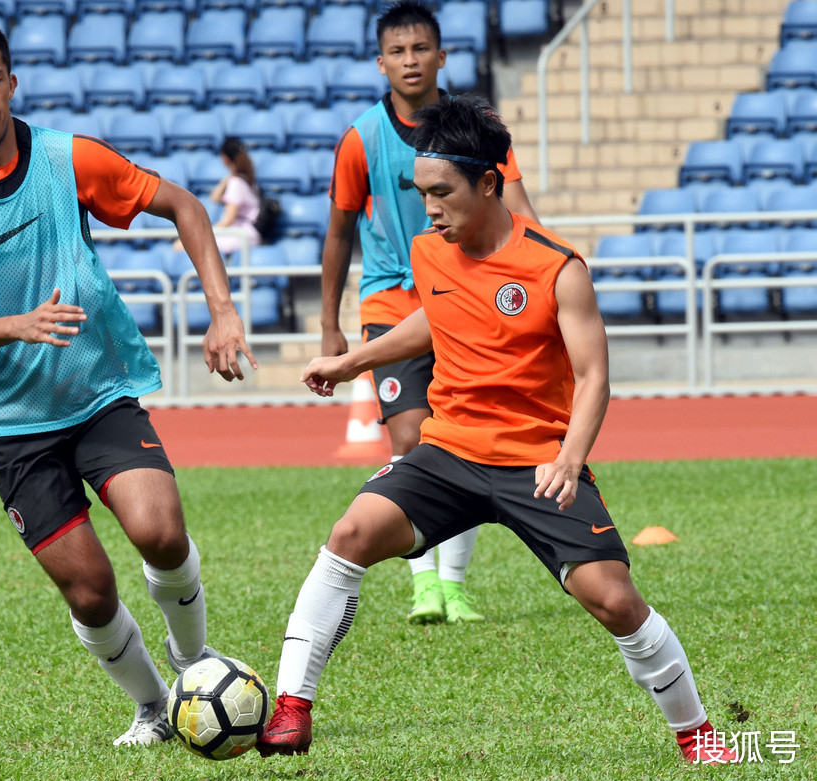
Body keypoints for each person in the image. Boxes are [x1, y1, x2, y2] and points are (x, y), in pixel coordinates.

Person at [255, 94, 737, 765]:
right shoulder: (430, 253)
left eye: (442, 192)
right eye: (421, 193)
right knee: (349, 535)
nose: (429, 208)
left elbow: (594, 375)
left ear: (488, 183)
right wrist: (350, 360)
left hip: (539, 461)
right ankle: (291, 709)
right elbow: (436, 319)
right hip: (448, 452)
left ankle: (700, 735)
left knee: (614, 599)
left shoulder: (556, 265)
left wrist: (571, 458)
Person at [0, 17, 257, 748]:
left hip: (98, 391)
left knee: (159, 530)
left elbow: (186, 207)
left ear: (13, 81)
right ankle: (156, 708)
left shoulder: (68, 159)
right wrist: (15, 324)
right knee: (90, 589)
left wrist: (222, 313)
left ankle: (195, 661)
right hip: (11, 423)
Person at [320, 0, 540, 626]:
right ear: (380, 61)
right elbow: (338, 232)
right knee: (411, 437)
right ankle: (424, 585)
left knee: (463, 434)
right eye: (398, 51)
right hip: (392, 299)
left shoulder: (479, 131)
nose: (410, 60)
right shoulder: (361, 137)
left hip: (468, 296)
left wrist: (547, 268)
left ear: (443, 56)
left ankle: (456, 585)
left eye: (421, 49)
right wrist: (329, 322)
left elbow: (518, 204)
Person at [172, 136, 261, 256]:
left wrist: (205, 232)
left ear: (224, 159)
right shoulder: (246, 179)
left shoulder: (236, 183)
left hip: (241, 235)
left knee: (181, 245)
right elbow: (215, 196)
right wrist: (231, 175)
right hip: (245, 233)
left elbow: (228, 220)